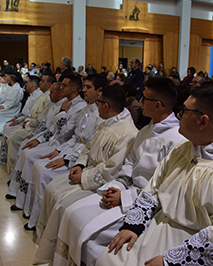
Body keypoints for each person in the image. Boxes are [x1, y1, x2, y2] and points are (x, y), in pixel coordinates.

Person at [97, 82, 213, 266]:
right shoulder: (183, 149)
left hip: (194, 246)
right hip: (156, 228)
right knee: (107, 260)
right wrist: (133, 226)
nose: (178, 115)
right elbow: (153, 188)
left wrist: (170, 261)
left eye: (184, 110)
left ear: (203, 121)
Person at [54, 77, 186, 266]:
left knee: (87, 236)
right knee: (73, 213)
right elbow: (130, 164)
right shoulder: (146, 130)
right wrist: (117, 187)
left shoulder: (177, 141)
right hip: (126, 191)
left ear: (158, 105)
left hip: (145, 204)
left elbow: (164, 187)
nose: (139, 102)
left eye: (144, 99)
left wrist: (125, 197)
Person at [33, 84, 138, 265]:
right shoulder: (105, 122)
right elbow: (89, 146)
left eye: (98, 102)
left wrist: (83, 177)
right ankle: (48, 249)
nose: (95, 106)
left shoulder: (128, 132)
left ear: (106, 106)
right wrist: (80, 164)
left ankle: (60, 256)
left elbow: (111, 169)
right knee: (51, 188)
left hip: (102, 182)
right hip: (87, 171)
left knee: (63, 205)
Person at [16, 74, 107, 231]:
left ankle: (41, 219)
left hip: (80, 157)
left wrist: (66, 159)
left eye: (87, 87)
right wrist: (59, 151)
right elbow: (76, 137)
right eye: (84, 86)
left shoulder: (96, 113)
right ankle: (31, 211)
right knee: (36, 163)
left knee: (42, 169)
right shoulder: (86, 108)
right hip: (68, 148)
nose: (83, 90)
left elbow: (79, 140)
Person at [6, 75, 87, 201]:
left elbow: (65, 132)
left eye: (64, 85)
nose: (62, 87)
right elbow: (52, 128)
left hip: (62, 144)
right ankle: (19, 190)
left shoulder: (80, 107)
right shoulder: (66, 103)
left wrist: (62, 112)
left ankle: (27, 197)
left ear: (74, 88)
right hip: (54, 140)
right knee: (26, 149)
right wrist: (37, 139)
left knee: (30, 157)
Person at [0, 75, 51, 165]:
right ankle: (4, 155)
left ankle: (12, 162)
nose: (25, 84)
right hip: (27, 120)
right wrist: (16, 117)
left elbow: (39, 117)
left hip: (31, 124)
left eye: (27, 82)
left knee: (11, 133)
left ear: (32, 85)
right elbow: (27, 112)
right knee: (8, 128)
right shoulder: (38, 95)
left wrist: (23, 121)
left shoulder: (41, 96)